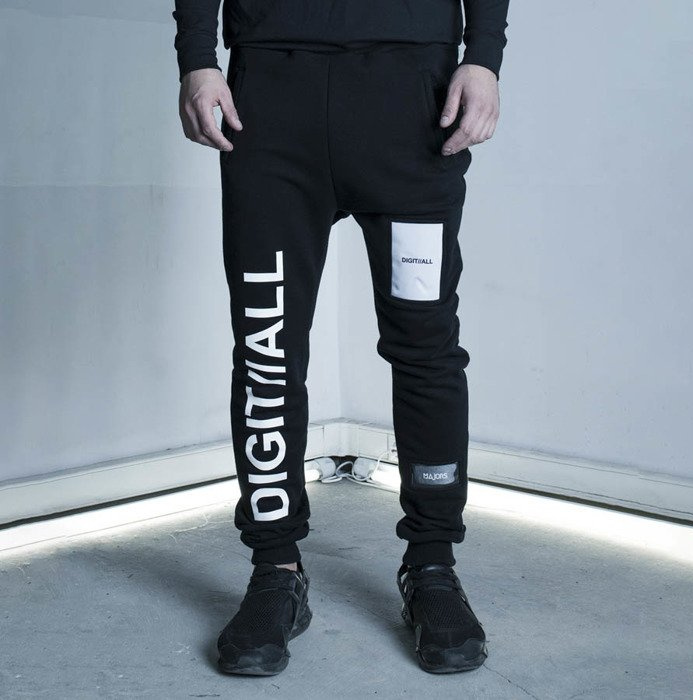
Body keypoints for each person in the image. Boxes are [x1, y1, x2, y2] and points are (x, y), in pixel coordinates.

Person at [172, 0, 509, 677]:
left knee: (426, 346)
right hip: (271, 99)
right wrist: (198, 59)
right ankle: (275, 568)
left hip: (414, 104)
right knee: (267, 345)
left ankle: (432, 564)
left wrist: (484, 55)